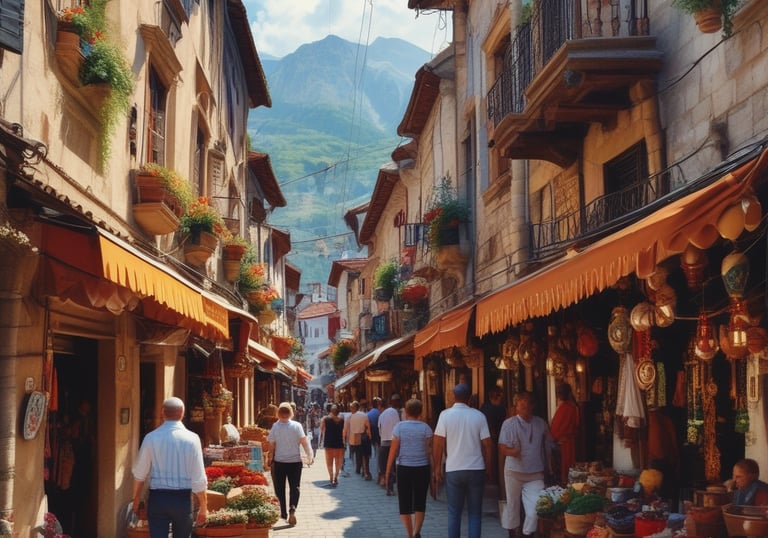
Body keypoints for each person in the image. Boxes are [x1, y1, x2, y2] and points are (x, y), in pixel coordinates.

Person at [132, 397, 207, 538]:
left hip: (158, 499)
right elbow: (199, 478)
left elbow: (139, 474)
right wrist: (204, 507)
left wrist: (136, 499)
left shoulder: (150, 438)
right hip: (182, 500)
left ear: (162, 413)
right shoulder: (193, 439)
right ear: (183, 414)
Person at [432, 383, 492, 538]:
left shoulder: (445, 415)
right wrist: (489, 468)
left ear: (453, 396)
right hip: (476, 469)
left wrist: (436, 469)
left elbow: (437, 443)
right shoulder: (479, 416)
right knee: (475, 513)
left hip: (454, 469)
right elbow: (488, 446)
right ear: (469, 398)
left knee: (454, 513)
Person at [499, 391, 553, 538]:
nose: (524, 406)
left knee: (535, 508)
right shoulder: (509, 424)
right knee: (512, 506)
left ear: (533, 406)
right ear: (516, 406)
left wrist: (550, 465)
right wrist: (513, 452)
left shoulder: (540, 423)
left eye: (527, 403)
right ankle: (512, 533)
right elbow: (502, 447)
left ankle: (527, 534)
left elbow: (548, 445)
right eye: (521, 403)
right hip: (514, 472)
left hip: (535, 473)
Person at [385, 398, 433, 538]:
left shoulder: (399, 427)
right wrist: (435, 470)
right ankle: (416, 531)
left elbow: (393, 451)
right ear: (420, 412)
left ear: (406, 411)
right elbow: (429, 451)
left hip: (404, 468)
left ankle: (410, 534)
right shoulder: (426, 428)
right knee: (420, 501)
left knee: (404, 503)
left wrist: (388, 471)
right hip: (422, 468)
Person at [267, 401, 314, 526]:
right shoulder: (297, 425)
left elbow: (271, 445)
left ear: (279, 413)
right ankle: (292, 508)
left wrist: (269, 458)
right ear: (290, 413)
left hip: (280, 462)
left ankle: (283, 513)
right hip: (295, 462)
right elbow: (304, 441)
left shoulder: (275, 426)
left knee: (279, 488)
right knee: (295, 487)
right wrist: (310, 455)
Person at [550, 383, 579, 485]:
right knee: (568, 467)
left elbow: (554, 428)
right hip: (569, 442)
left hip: (563, 443)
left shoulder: (565, 407)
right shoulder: (573, 407)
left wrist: (554, 438)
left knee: (563, 468)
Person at [379, 393, 403, 494]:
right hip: (393, 442)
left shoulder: (383, 414)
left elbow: (379, 428)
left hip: (384, 442)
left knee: (386, 465)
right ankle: (391, 485)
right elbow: (398, 428)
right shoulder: (396, 413)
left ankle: (387, 484)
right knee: (393, 464)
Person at [343, 400, 372, 479]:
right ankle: (365, 471)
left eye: (351, 407)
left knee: (358, 454)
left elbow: (345, 430)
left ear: (354, 408)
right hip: (363, 436)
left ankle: (361, 470)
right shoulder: (364, 415)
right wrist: (370, 436)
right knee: (364, 455)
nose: (350, 409)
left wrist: (344, 440)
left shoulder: (349, 417)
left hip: (354, 438)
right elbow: (368, 427)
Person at [320, 404, 345, 487]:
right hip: (339, 443)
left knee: (329, 462)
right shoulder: (342, 420)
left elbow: (322, 429)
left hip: (329, 443)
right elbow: (343, 432)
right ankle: (336, 477)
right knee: (338, 462)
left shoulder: (325, 419)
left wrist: (323, 440)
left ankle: (331, 478)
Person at [368, 397, 382, 480]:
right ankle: (380, 472)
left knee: (376, 454)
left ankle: (378, 472)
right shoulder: (380, 413)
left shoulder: (369, 414)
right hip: (380, 437)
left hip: (373, 437)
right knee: (379, 455)